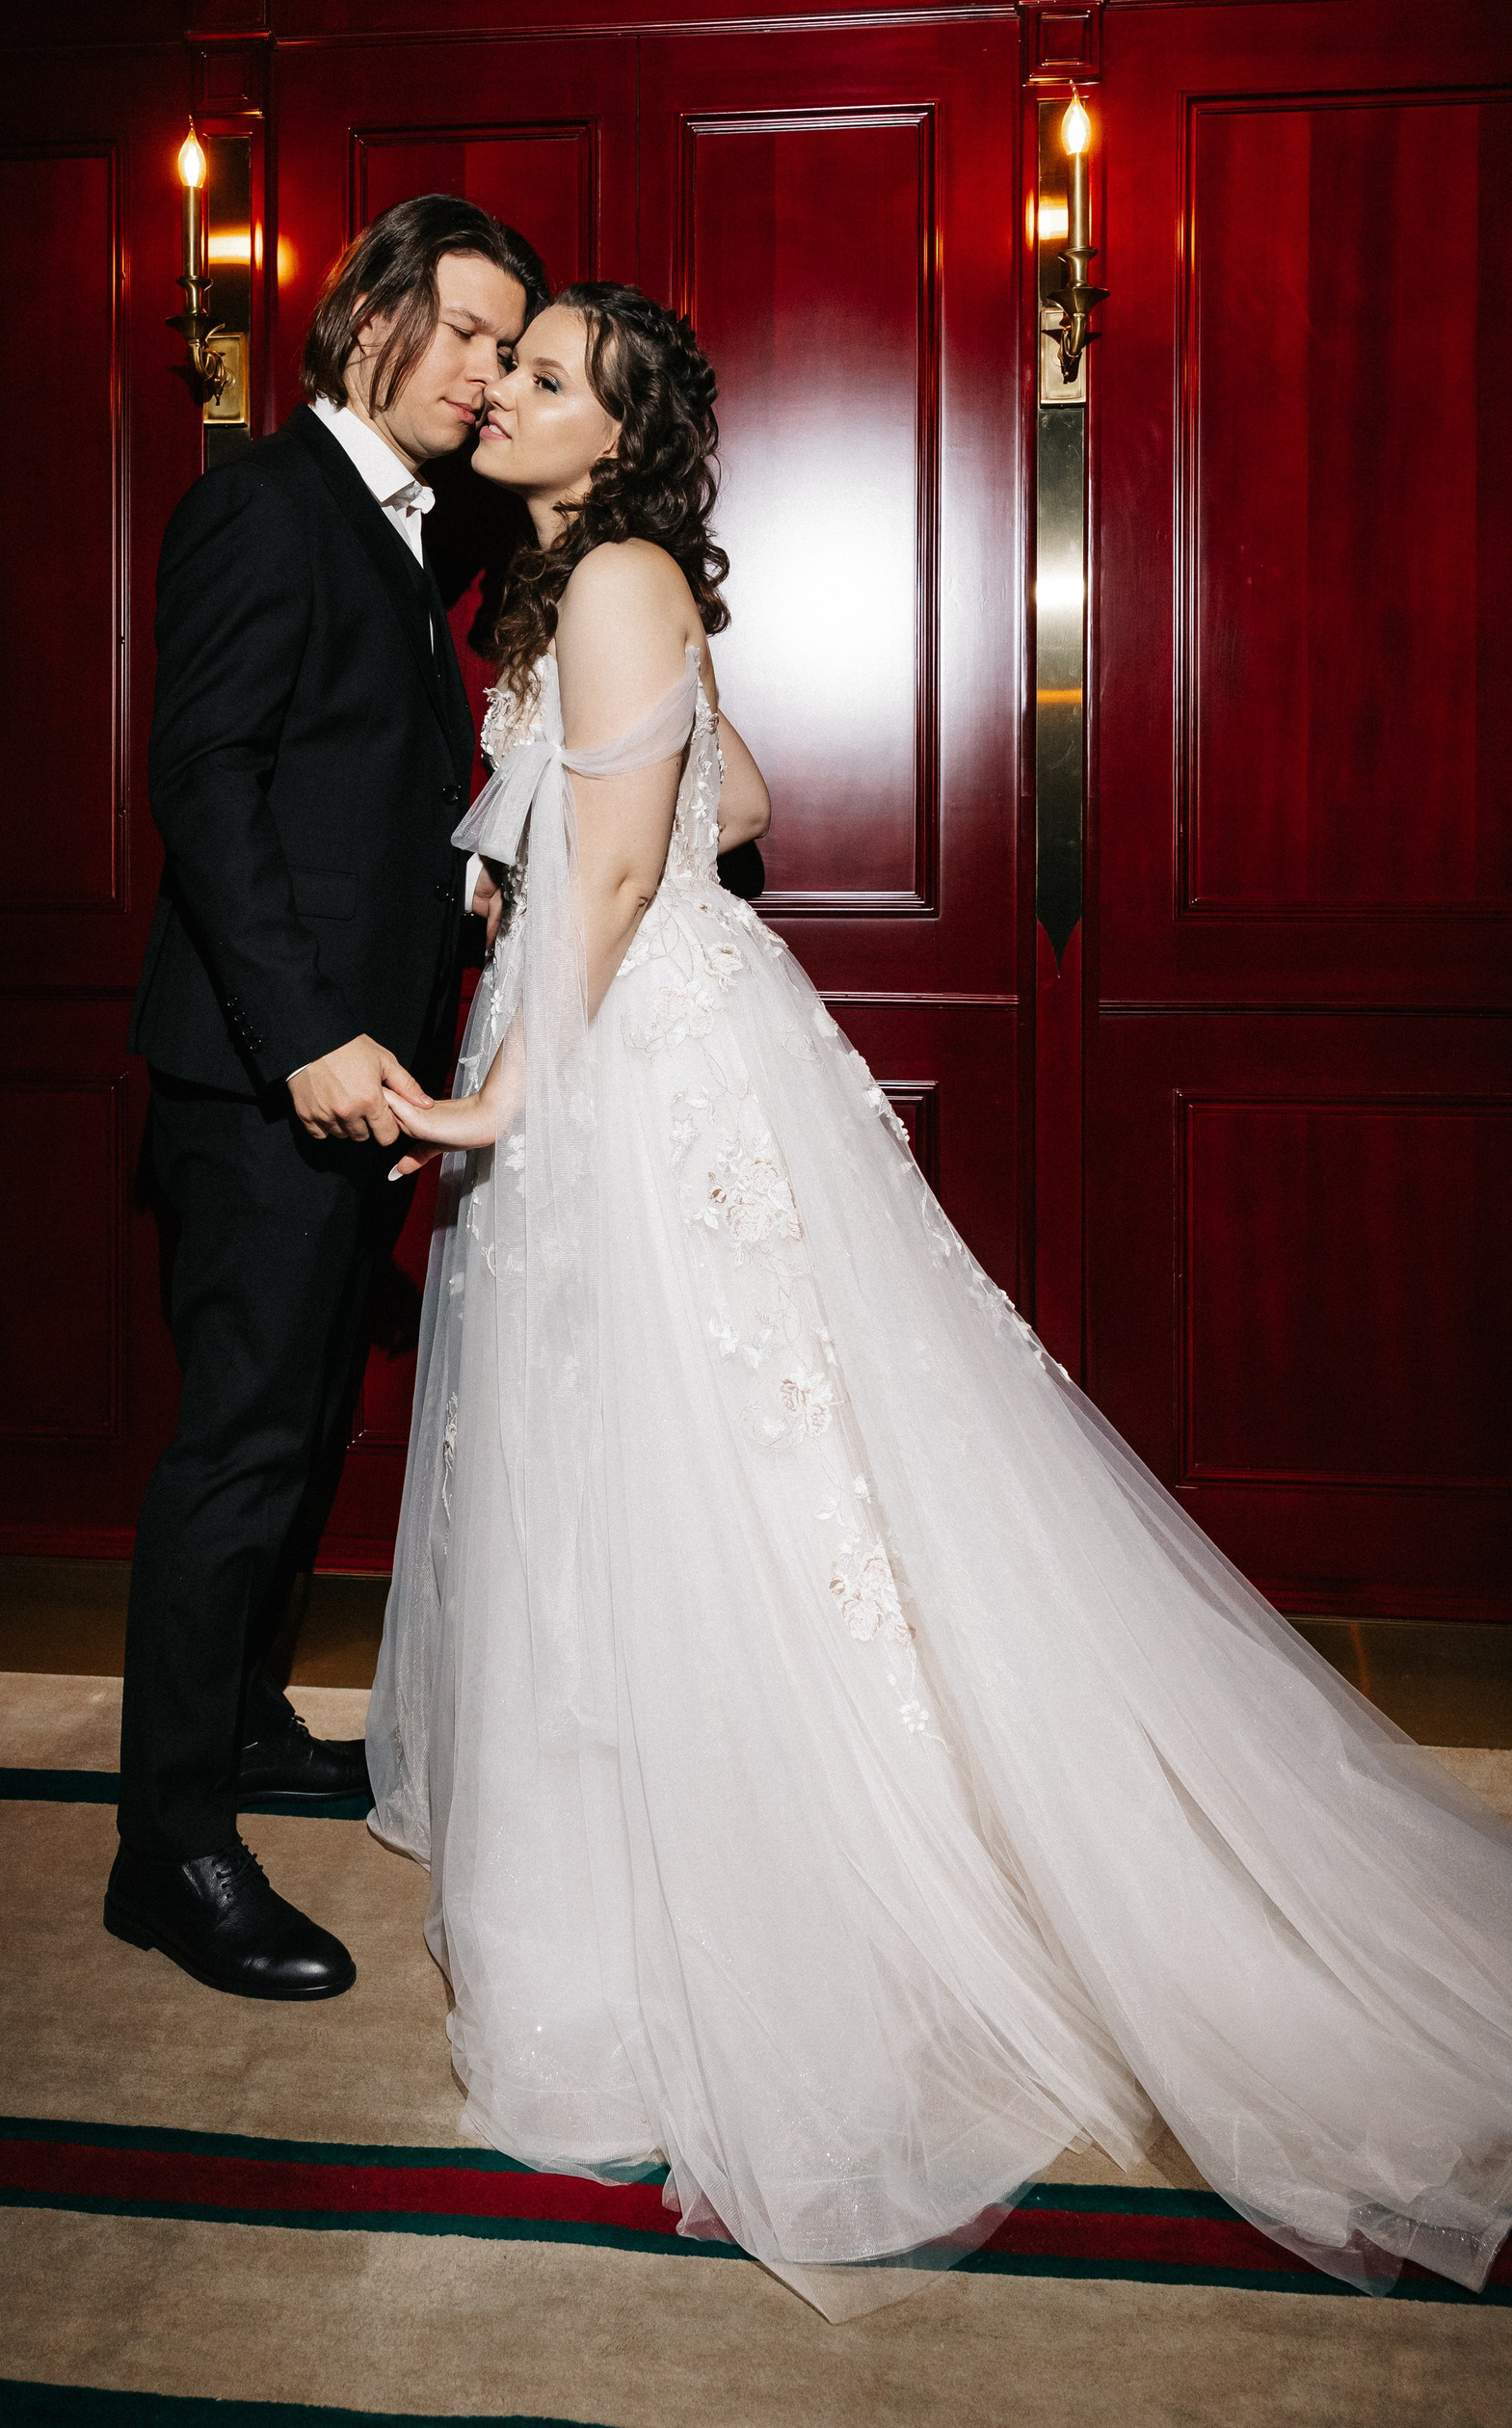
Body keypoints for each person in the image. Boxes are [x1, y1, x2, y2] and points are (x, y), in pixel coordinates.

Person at [366, 282, 1512, 2314]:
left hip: (629, 1071)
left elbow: (626, 878)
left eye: (546, 377)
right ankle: (644, 1930)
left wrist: (502, 1089)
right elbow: (729, 805)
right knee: (648, 1485)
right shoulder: (577, 593)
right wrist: (529, 850)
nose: (507, 393)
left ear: (618, 439)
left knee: (691, 1485)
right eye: (511, 367)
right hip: (655, 1040)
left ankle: (749, 1942)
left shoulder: (609, 575)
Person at [106, 196, 546, 2002]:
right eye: (468, 333)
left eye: (511, 349)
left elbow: (340, 788)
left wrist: (454, 896)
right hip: (262, 1075)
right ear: (370, 316)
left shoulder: (402, 532)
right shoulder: (266, 505)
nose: (490, 373)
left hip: (357, 1076)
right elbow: (203, 779)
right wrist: (301, 1036)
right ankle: (167, 1849)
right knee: (238, 1448)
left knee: (295, 1433)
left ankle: (242, 1723)